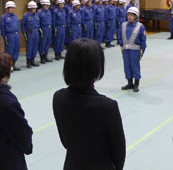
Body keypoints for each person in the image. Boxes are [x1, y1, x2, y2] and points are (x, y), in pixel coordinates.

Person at [53, 38, 126, 170]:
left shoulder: (58, 97)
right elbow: (119, 153)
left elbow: (65, 141)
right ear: (97, 67)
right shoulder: (107, 106)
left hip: (72, 164)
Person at [119, 7, 147, 93]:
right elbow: (120, 36)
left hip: (135, 51)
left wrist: (142, 51)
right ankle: (129, 83)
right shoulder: (123, 25)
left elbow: (143, 39)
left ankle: (136, 84)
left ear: (136, 16)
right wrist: (121, 47)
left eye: (131, 15)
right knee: (127, 67)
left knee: (135, 67)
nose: (129, 17)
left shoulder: (140, 27)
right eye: (128, 15)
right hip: (125, 51)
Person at [1, 1, 21, 71]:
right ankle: (8, 66)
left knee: (16, 50)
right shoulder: (4, 17)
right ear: (7, 9)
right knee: (9, 51)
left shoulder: (15, 16)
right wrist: (5, 37)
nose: (12, 9)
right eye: (11, 8)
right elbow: (2, 28)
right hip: (9, 35)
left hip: (16, 35)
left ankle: (14, 64)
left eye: (13, 8)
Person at [21, 1, 40, 68]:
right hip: (30, 33)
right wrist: (24, 34)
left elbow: (38, 24)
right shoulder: (26, 15)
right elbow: (23, 25)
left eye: (35, 8)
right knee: (29, 47)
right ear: (30, 8)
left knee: (35, 47)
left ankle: (33, 60)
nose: (35, 9)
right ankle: (28, 62)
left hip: (36, 32)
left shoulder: (37, 15)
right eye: (33, 8)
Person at [38, 0, 53, 64]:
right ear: (43, 5)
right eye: (46, 5)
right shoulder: (39, 12)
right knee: (42, 43)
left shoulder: (49, 11)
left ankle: (45, 56)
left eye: (48, 5)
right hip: (43, 28)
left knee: (47, 43)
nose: (48, 6)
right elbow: (38, 22)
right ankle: (42, 58)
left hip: (49, 28)